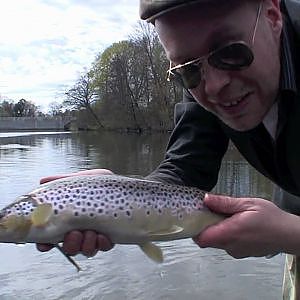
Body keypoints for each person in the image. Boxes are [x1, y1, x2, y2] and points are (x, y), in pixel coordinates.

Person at [38, 0, 300, 297]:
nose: (213, 87)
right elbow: (185, 168)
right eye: (188, 71)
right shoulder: (202, 81)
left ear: (272, 15)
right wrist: (118, 193)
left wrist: (289, 234)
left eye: (230, 52)